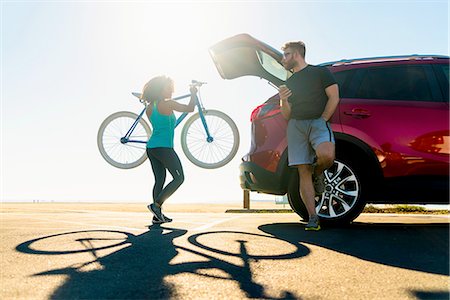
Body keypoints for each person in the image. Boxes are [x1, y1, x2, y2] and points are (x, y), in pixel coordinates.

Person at [278, 41, 340, 231]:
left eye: (286, 55)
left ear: (296, 54)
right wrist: (284, 100)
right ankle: (313, 217)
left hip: (318, 122)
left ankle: (318, 173)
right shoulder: (289, 81)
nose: (283, 59)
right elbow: (286, 114)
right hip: (296, 125)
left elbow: (334, 97)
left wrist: (323, 119)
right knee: (303, 171)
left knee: (327, 156)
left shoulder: (320, 72)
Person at [140, 75, 197, 224]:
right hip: (164, 148)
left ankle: (157, 216)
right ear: (161, 89)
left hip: (152, 148)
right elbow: (190, 108)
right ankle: (156, 205)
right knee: (179, 178)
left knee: (159, 181)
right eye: (169, 88)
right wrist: (193, 94)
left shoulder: (150, 107)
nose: (171, 91)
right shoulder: (168, 104)